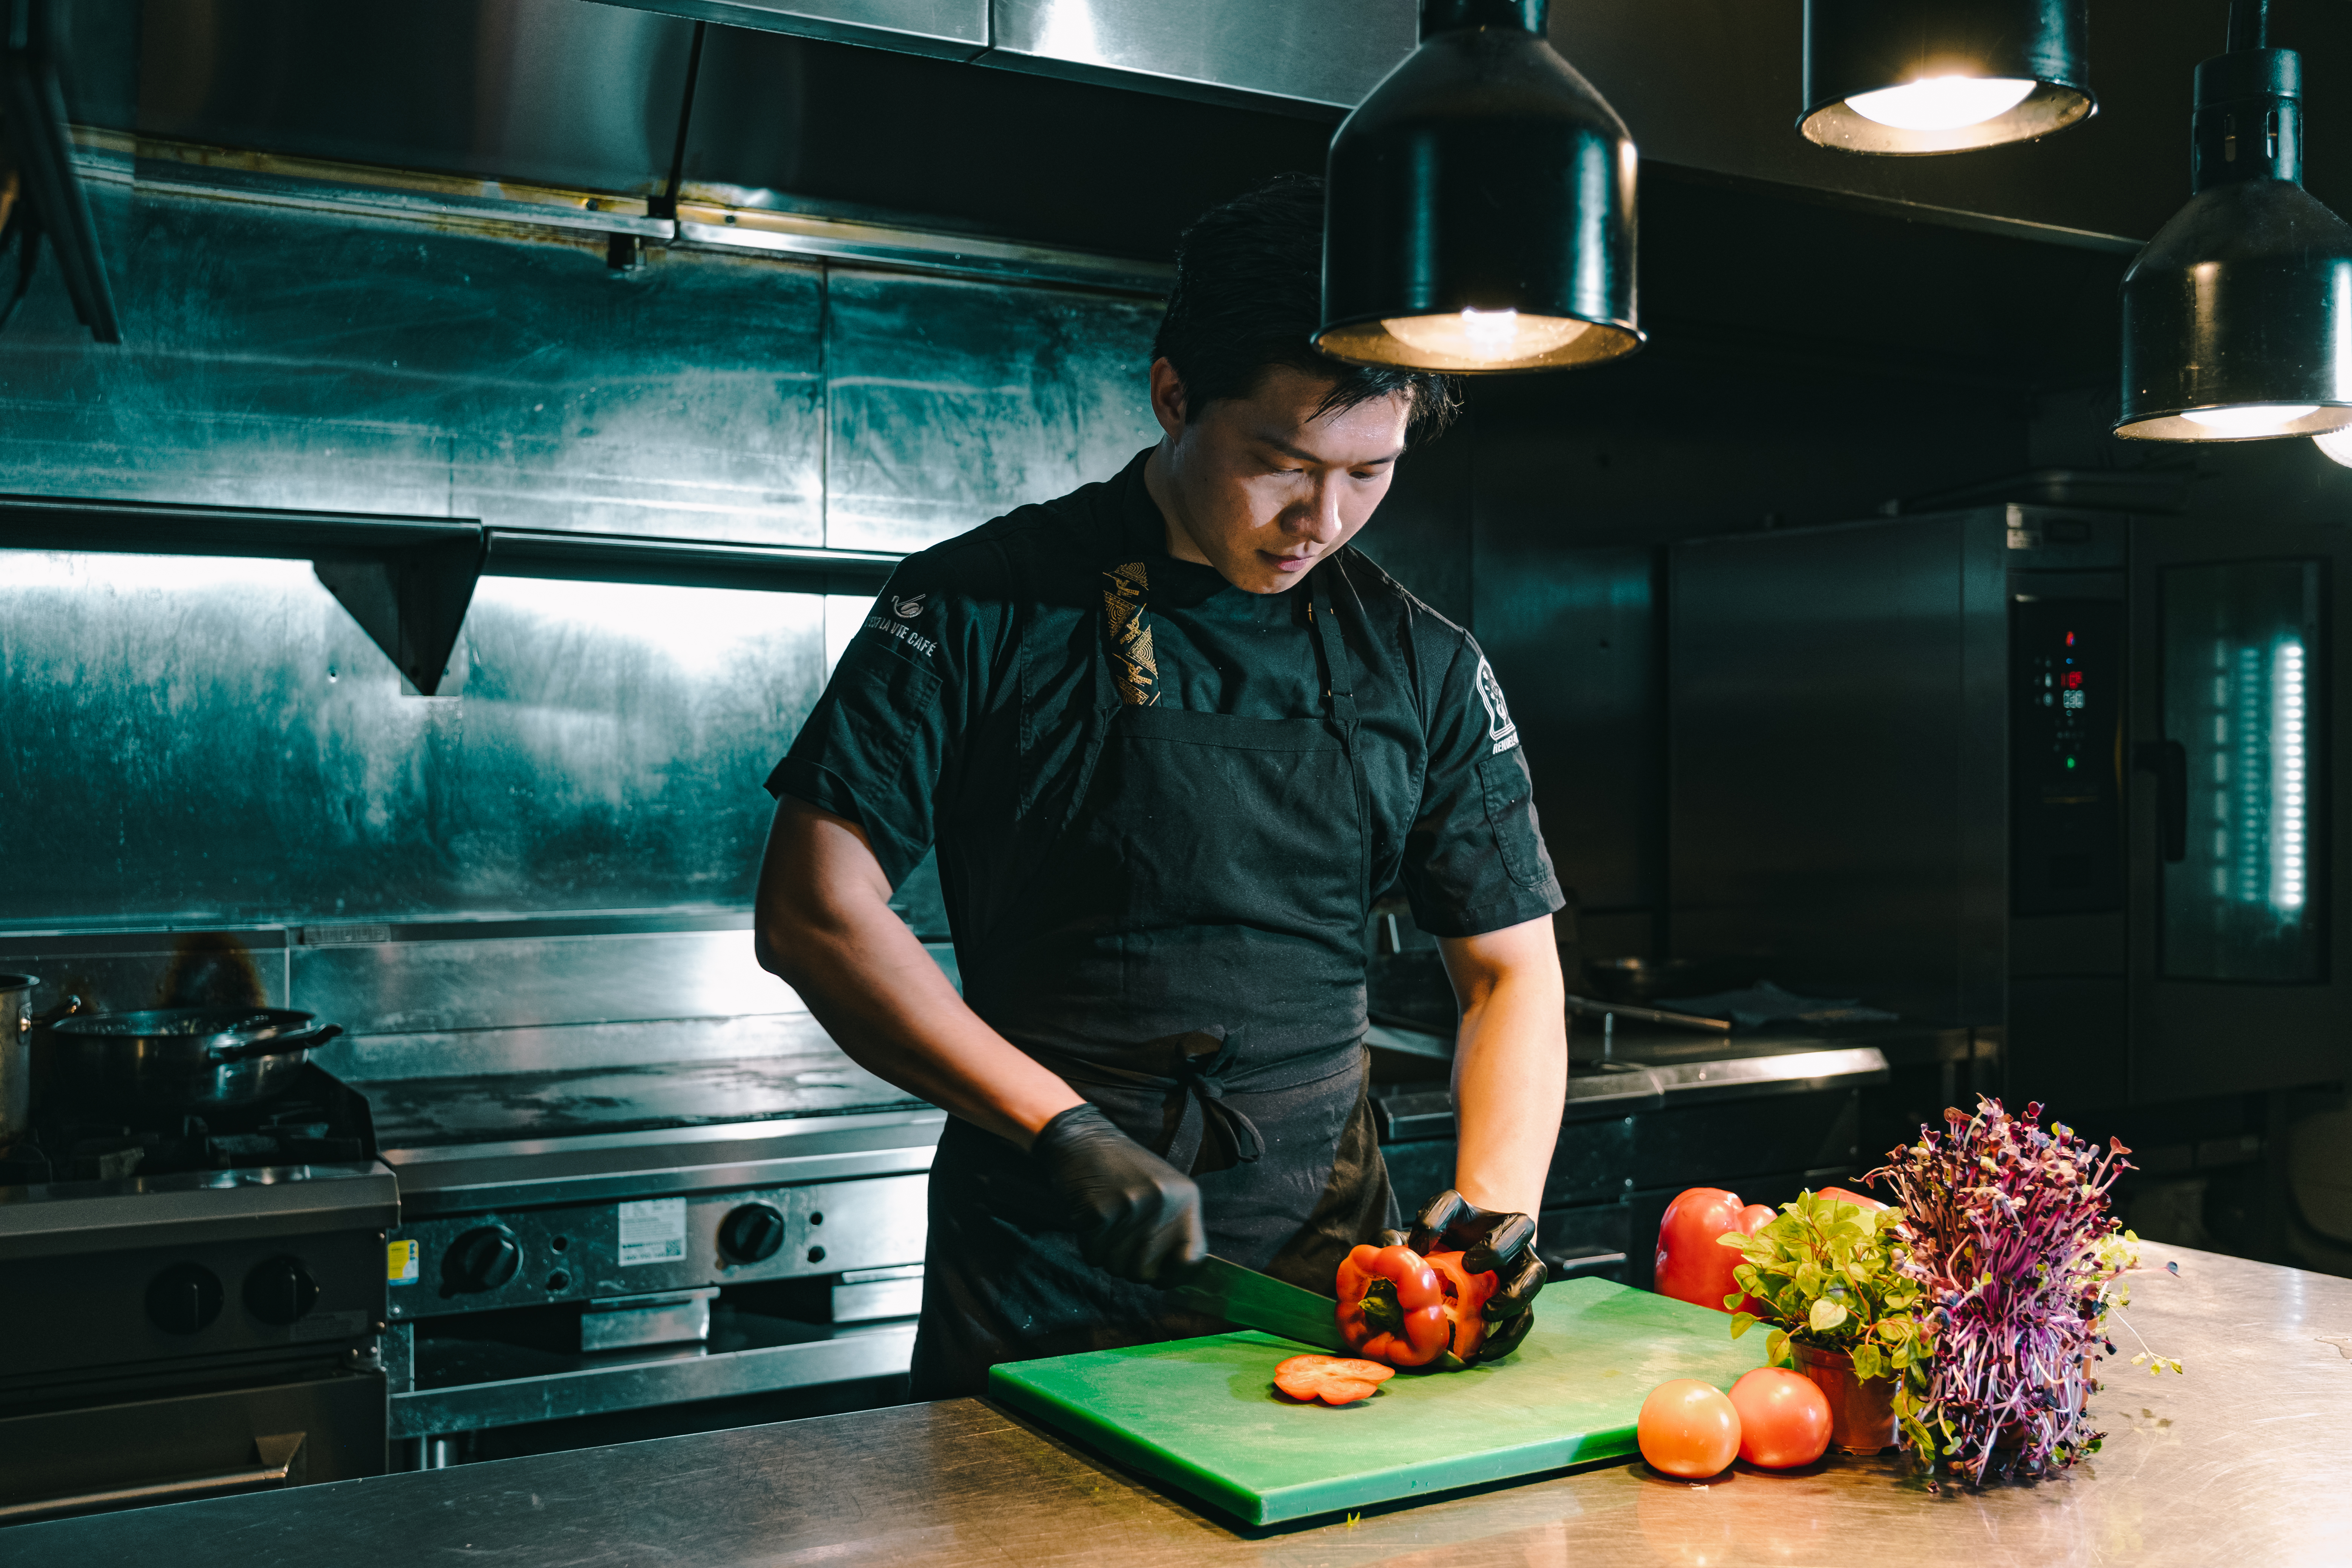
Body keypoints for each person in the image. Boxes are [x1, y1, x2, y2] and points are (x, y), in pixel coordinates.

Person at [754, 173, 1568, 1398]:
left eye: (1369, 474)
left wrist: (1484, 1231)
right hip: (1043, 1267)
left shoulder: (1423, 660)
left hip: (1326, 1285)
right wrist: (1060, 1126)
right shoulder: (979, 603)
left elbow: (1509, 970)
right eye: (1283, 464)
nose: (1322, 520)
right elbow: (816, 910)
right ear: (1174, 394)